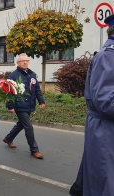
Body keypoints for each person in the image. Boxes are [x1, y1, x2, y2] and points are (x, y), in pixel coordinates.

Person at [69, 15, 114, 196]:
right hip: (106, 127)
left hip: (105, 127)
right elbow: (106, 100)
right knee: (105, 179)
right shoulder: (108, 56)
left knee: (98, 172)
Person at [2, 53, 45, 159]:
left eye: (27, 61)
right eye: (22, 61)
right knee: (28, 127)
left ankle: (8, 138)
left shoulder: (32, 74)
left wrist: (41, 101)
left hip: (29, 104)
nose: (25, 62)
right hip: (19, 105)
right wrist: (10, 106)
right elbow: (9, 92)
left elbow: (37, 89)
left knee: (21, 124)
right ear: (18, 63)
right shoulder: (13, 76)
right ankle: (34, 150)